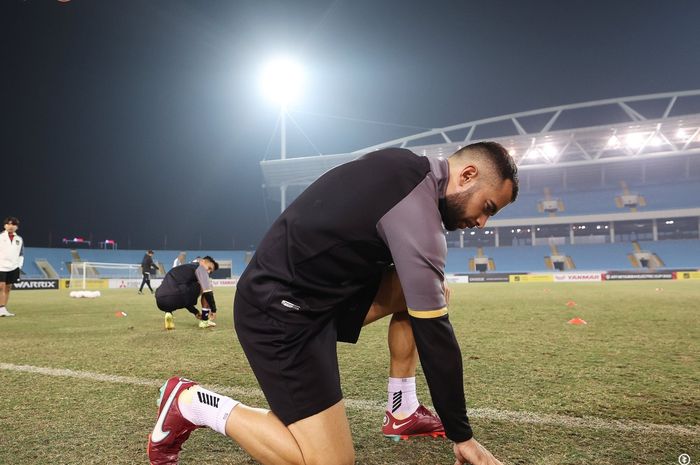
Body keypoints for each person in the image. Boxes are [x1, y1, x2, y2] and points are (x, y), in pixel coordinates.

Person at [148, 142, 518, 465]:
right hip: (276, 311)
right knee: (331, 461)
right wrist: (462, 435)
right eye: (487, 207)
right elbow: (436, 337)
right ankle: (191, 402)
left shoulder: (405, 165)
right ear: (467, 175)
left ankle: (402, 408)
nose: (482, 222)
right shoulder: (418, 211)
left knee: (431, 291)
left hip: (316, 295)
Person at [155, 256, 220, 330]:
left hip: (160, 300)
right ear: (202, 261)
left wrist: (195, 312)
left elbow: (179, 293)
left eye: (210, 272)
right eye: (209, 268)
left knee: (175, 290)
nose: (208, 272)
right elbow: (207, 292)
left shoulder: (182, 268)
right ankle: (205, 321)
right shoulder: (200, 268)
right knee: (206, 286)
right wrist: (213, 310)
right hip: (178, 295)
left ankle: (168, 313)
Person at [0, 216, 24, 317]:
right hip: (1, 266)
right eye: (8, 224)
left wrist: (19, 266)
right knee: (1, 287)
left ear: (16, 227)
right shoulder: (1, 237)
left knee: (8, 288)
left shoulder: (19, 239)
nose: (10, 226)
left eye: (13, 224)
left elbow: (21, 254)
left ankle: (3, 309)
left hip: (13, 267)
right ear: (4, 225)